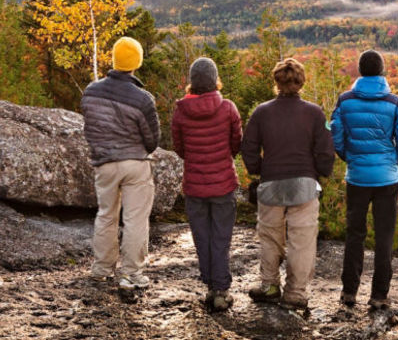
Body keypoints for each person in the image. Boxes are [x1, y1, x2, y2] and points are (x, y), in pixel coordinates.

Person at [241, 58, 335, 311]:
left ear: (277, 81)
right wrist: (320, 173)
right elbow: (326, 150)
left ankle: (270, 285)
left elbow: (248, 147)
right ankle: (295, 292)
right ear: (301, 82)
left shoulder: (262, 112)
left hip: (271, 184)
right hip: (305, 184)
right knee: (301, 241)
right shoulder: (315, 113)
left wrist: (259, 170)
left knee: (270, 237)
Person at [331, 49, 398, 311]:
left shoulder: (345, 101)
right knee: (384, 237)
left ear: (360, 71)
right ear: (381, 71)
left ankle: (349, 292)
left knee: (354, 234)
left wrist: (350, 157)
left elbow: (336, 134)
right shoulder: (395, 102)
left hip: (357, 177)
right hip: (386, 179)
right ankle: (379, 295)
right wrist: (394, 161)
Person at [81, 36, 160, 290]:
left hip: (104, 163)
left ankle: (102, 268)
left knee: (106, 215)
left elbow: (90, 129)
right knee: (136, 219)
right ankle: (131, 274)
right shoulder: (143, 99)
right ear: (137, 62)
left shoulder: (90, 92)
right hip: (135, 163)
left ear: (114, 59)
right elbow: (152, 140)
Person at [171, 57, 243, 312]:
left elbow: (180, 148)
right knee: (221, 238)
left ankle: (211, 286)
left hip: (194, 186)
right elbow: (237, 144)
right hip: (223, 184)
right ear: (214, 80)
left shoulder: (181, 111)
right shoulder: (228, 108)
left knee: (202, 238)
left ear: (192, 82)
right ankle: (221, 290)